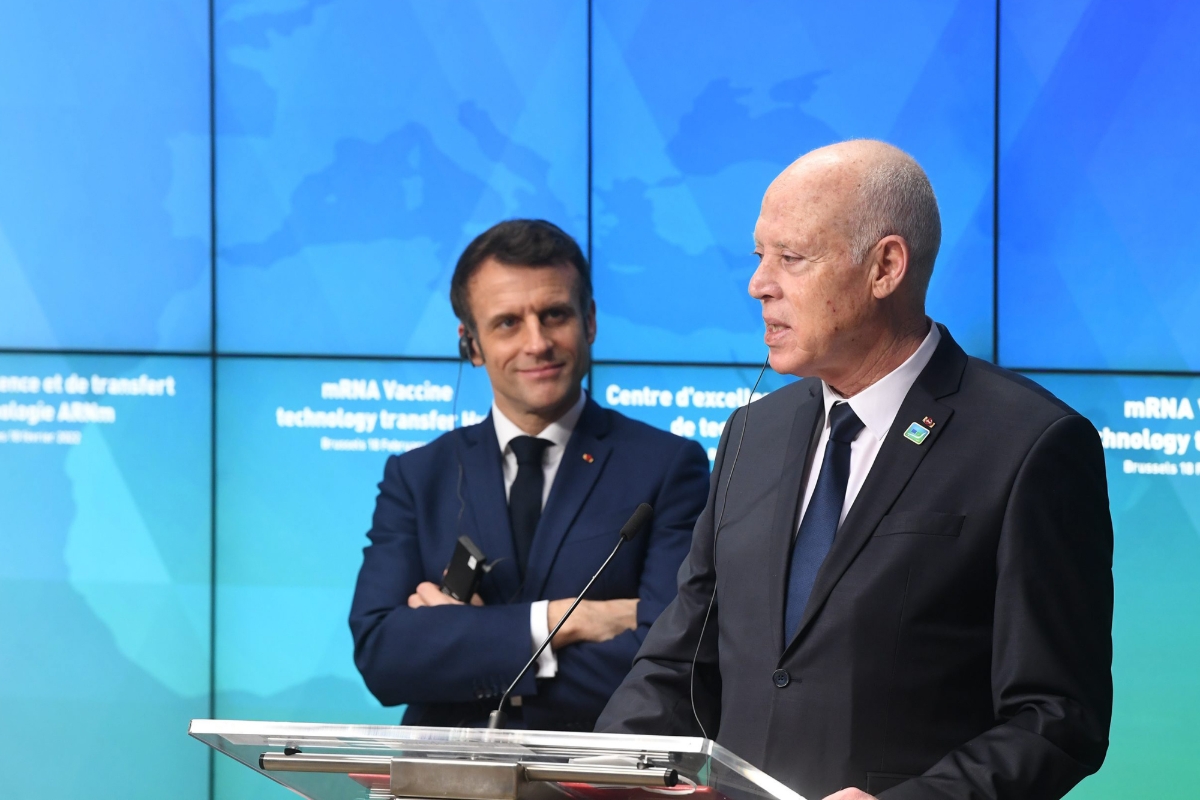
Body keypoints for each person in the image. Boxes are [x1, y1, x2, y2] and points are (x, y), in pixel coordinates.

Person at [596, 141, 1113, 800]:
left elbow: (1057, 716)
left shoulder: (1031, 444)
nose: (759, 284)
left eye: (791, 258)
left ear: (885, 266)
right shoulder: (752, 433)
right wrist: (606, 776)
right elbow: (677, 661)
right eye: (760, 257)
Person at [350, 219, 711, 731]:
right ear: (471, 344)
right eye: (507, 323)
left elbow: (671, 659)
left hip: (593, 782)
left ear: (589, 321)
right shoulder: (417, 476)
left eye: (555, 315)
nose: (537, 342)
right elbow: (383, 657)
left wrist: (468, 645)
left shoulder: (669, 467)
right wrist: (569, 620)